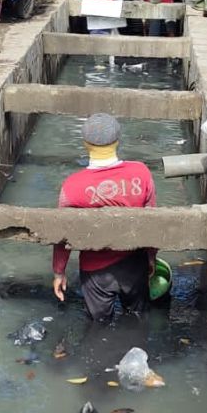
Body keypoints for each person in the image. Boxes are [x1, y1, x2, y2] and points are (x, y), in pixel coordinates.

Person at [52, 113, 157, 322]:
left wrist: (58, 272)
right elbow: (152, 221)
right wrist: (151, 258)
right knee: (137, 319)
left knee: (98, 326)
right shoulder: (141, 172)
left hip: (95, 271)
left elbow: (62, 234)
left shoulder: (72, 186)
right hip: (134, 264)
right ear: (117, 141)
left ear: (85, 144)